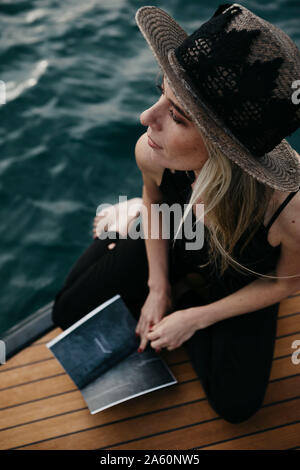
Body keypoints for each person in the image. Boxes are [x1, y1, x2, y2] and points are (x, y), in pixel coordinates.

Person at [52, 3, 300, 424]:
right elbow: (154, 201)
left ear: (227, 149)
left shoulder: (289, 209)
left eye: (178, 117)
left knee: (236, 407)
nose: (146, 118)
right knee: (67, 314)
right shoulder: (154, 150)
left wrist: (195, 318)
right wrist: (159, 288)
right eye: (161, 93)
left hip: (239, 276)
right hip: (173, 234)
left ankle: (188, 293)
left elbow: (288, 281)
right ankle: (168, 272)